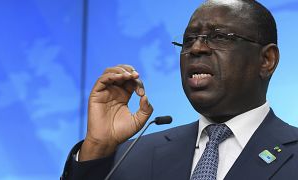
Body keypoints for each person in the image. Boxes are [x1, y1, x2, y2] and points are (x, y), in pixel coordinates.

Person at [61, 0, 298, 179]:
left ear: (266, 59)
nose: (196, 48)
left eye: (218, 37)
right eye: (188, 39)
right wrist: (97, 148)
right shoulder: (133, 154)